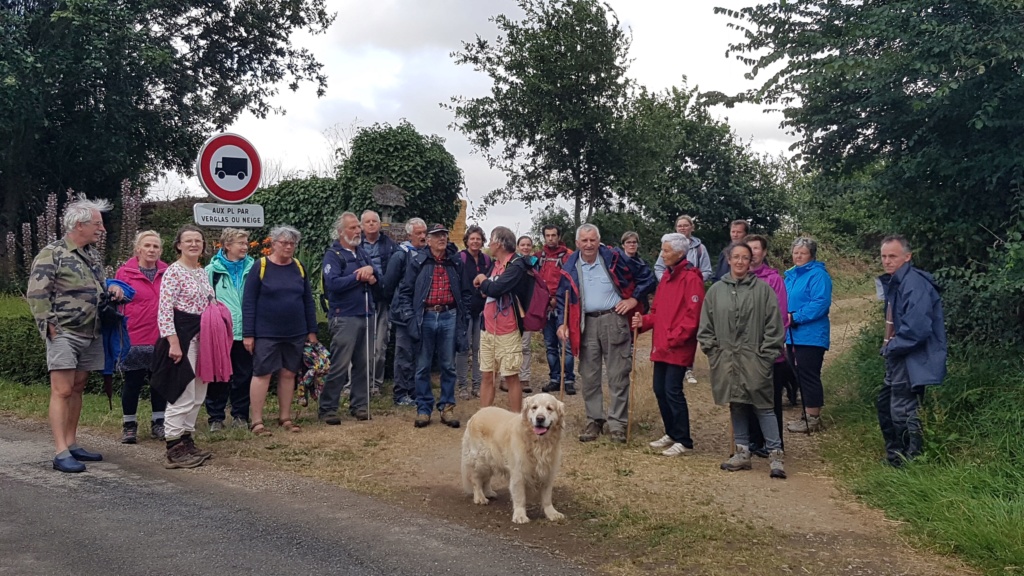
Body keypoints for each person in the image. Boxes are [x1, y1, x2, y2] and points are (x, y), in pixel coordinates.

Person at [27, 196, 124, 473]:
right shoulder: (53, 253)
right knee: (63, 389)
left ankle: (71, 443)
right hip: (64, 332)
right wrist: (48, 325)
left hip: (91, 332)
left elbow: (99, 287)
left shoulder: (91, 255)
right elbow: (37, 292)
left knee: (78, 386)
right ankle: (60, 452)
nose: (101, 230)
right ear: (79, 225)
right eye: (97, 224)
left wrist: (112, 291)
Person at [556, 223, 655, 443]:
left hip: (614, 319)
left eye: (593, 240)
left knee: (618, 374)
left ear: (598, 240)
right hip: (585, 323)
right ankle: (594, 421)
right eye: (584, 240)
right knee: (589, 376)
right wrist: (560, 324)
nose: (589, 244)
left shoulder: (615, 258)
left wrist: (633, 299)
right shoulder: (569, 266)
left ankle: (617, 424)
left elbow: (647, 277)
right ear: (577, 243)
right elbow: (562, 297)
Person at [698, 242, 787, 478]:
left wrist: (765, 358)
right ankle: (742, 452)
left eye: (745, 258)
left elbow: (774, 327)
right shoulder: (716, 291)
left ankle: (775, 455)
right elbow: (705, 327)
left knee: (764, 407)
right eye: (736, 257)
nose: (740, 261)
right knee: (736, 404)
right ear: (728, 259)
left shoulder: (763, 290)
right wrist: (714, 353)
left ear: (751, 261)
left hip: (755, 359)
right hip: (727, 359)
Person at [631, 233, 704, 456]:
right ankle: (671, 432)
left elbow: (693, 317)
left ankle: (684, 439)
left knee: (673, 391)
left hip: (677, 345)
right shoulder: (666, 278)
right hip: (661, 344)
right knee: (659, 389)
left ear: (680, 253)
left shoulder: (691, 278)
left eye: (666, 251)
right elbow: (657, 312)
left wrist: (674, 338)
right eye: (663, 250)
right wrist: (644, 321)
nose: (662, 255)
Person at [150, 225, 216, 469]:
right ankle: (173, 446)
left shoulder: (201, 272)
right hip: (182, 336)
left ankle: (187, 440)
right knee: (183, 392)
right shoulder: (173, 272)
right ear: (178, 245)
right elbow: (165, 310)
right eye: (188, 241)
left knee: (199, 392)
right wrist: (173, 342)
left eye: (198, 241)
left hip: (203, 337)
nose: (193, 244)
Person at [878, 235, 946, 467]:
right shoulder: (896, 282)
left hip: (910, 357)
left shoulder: (914, 284)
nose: (887, 261)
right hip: (900, 356)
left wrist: (890, 348)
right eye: (884, 256)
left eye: (892, 256)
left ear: (907, 257)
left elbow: (916, 330)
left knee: (903, 409)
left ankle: (910, 459)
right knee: (887, 404)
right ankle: (896, 455)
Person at [243, 225, 318, 435]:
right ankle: (257, 421)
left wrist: (311, 331)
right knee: (262, 373)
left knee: (288, 374)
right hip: (266, 332)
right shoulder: (261, 266)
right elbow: (248, 301)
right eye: (283, 242)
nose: (288, 247)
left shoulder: (299, 267)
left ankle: (285, 418)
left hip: (295, 332)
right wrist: (248, 334)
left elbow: (307, 301)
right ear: (273, 244)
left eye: (292, 243)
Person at [394, 223, 469, 429]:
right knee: (423, 366)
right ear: (428, 240)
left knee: (448, 365)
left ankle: (447, 407)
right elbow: (405, 292)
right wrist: (409, 317)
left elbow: (465, 291)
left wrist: (465, 314)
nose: (441, 239)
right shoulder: (418, 261)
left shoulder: (455, 262)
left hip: (449, 314)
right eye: (436, 236)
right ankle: (424, 409)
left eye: (444, 235)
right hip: (425, 316)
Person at [320, 212, 379, 424]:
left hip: (365, 313)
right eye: (353, 228)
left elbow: (376, 280)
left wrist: (371, 275)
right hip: (344, 316)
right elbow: (333, 284)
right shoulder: (333, 255)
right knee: (340, 364)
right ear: (341, 232)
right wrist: (357, 276)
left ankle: (360, 405)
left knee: (364, 363)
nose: (358, 231)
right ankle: (328, 407)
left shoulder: (362, 253)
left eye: (358, 228)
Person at [114, 230, 168, 444]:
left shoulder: (168, 272)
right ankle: (129, 425)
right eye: (147, 246)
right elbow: (116, 304)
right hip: (133, 336)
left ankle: (159, 422)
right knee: (133, 382)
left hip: (161, 336)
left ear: (160, 250)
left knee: (159, 383)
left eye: (155, 246)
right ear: (138, 249)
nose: (152, 250)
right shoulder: (124, 273)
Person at [475, 226, 535, 414]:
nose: (488, 244)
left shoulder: (516, 265)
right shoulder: (495, 264)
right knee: (487, 374)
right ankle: (484, 419)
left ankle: (517, 420)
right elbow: (486, 290)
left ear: (499, 243)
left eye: (491, 240)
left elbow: (495, 288)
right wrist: (485, 283)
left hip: (508, 329)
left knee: (510, 376)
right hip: (488, 327)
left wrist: (482, 278)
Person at [743, 234, 790, 457]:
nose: (752, 254)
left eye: (756, 249)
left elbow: (780, 315)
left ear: (764, 253)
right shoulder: (738, 278)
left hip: (767, 349)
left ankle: (772, 443)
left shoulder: (773, 279)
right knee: (747, 395)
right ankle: (752, 439)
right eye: (748, 249)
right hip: (744, 350)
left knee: (769, 398)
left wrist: (769, 344)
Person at [203, 228, 254, 432]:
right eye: (240, 243)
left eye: (246, 243)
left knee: (243, 375)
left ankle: (240, 415)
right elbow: (205, 303)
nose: (244, 247)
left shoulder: (254, 268)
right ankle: (215, 417)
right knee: (219, 376)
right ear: (227, 245)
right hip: (221, 333)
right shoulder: (211, 271)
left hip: (247, 331)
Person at [783, 237, 833, 433]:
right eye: (795, 252)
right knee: (798, 374)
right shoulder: (791, 276)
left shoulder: (818, 275)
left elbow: (820, 303)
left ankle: (813, 418)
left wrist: (796, 317)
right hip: (792, 334)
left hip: (811, 335)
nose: (798, 256)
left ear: (811, 254)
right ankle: (806, 414)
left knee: (809, 375)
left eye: (802, 253)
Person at [384, 218, 428, 407]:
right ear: (409, 234)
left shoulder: (427, 254)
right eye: (418, 233)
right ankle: (400, 393)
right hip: (403, 313)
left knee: (419, 354)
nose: (423, 236)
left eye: (424, 233)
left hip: (423, 313)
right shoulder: (400, 255)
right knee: (403, 353)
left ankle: (415, 391)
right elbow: (389, 284)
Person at [360, 210, 399, 396]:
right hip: (360, 300)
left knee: (380, 345)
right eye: (367, 222)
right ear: (362, 226)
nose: (371, 224)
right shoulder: (355, 245)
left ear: (379, 224)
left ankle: (376, 383)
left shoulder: (390, 245)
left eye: (374, 221)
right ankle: (357, 383)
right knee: (359, 345)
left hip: (383, 299)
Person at [536, 224, 576, 396]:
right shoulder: (539, 257)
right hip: (545, 305)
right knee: (550, 345)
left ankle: (568, 380)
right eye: (548, 235)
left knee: (565, 345)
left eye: (554, 235)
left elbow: (571, 280)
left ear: (559, 236)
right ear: (544, 237)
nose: (551, 238)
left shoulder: (569, 256)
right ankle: (554, 378)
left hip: (562, 304)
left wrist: (558, 299)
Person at [455, 225, 491, 400]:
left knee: (479, 349)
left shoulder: (486, 260)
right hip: (465, 309)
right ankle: (462, 385)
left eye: (478, 239)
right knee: (463, 348)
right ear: (467, 241)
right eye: (472, 239)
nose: (475, 241)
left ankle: (477, 385)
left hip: (482, 310)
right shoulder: (460, 258)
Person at [655, 215, 713, 282]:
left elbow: (706, 271)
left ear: (692, 227)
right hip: (671, 287)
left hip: (692, 288)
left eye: (685, 225)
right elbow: (659, 268)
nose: (682, 228)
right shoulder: (668, 246)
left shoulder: (700, 248)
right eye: (679, 226)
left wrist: (695, 282)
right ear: (676, 228)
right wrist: (665, 281)